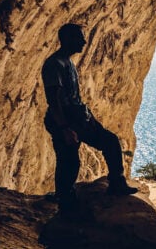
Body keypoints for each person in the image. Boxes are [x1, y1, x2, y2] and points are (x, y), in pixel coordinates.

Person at [42, 23, 137, 213]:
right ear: (67, 39)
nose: (84, 41)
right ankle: (66, 203)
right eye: (79, 37)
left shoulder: (66, 62)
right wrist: (64, 128)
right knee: (69, 161)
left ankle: (116, 183)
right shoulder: (54, 64)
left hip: (78, 117)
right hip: (66, 119)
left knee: (109, 141)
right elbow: (54, 99)